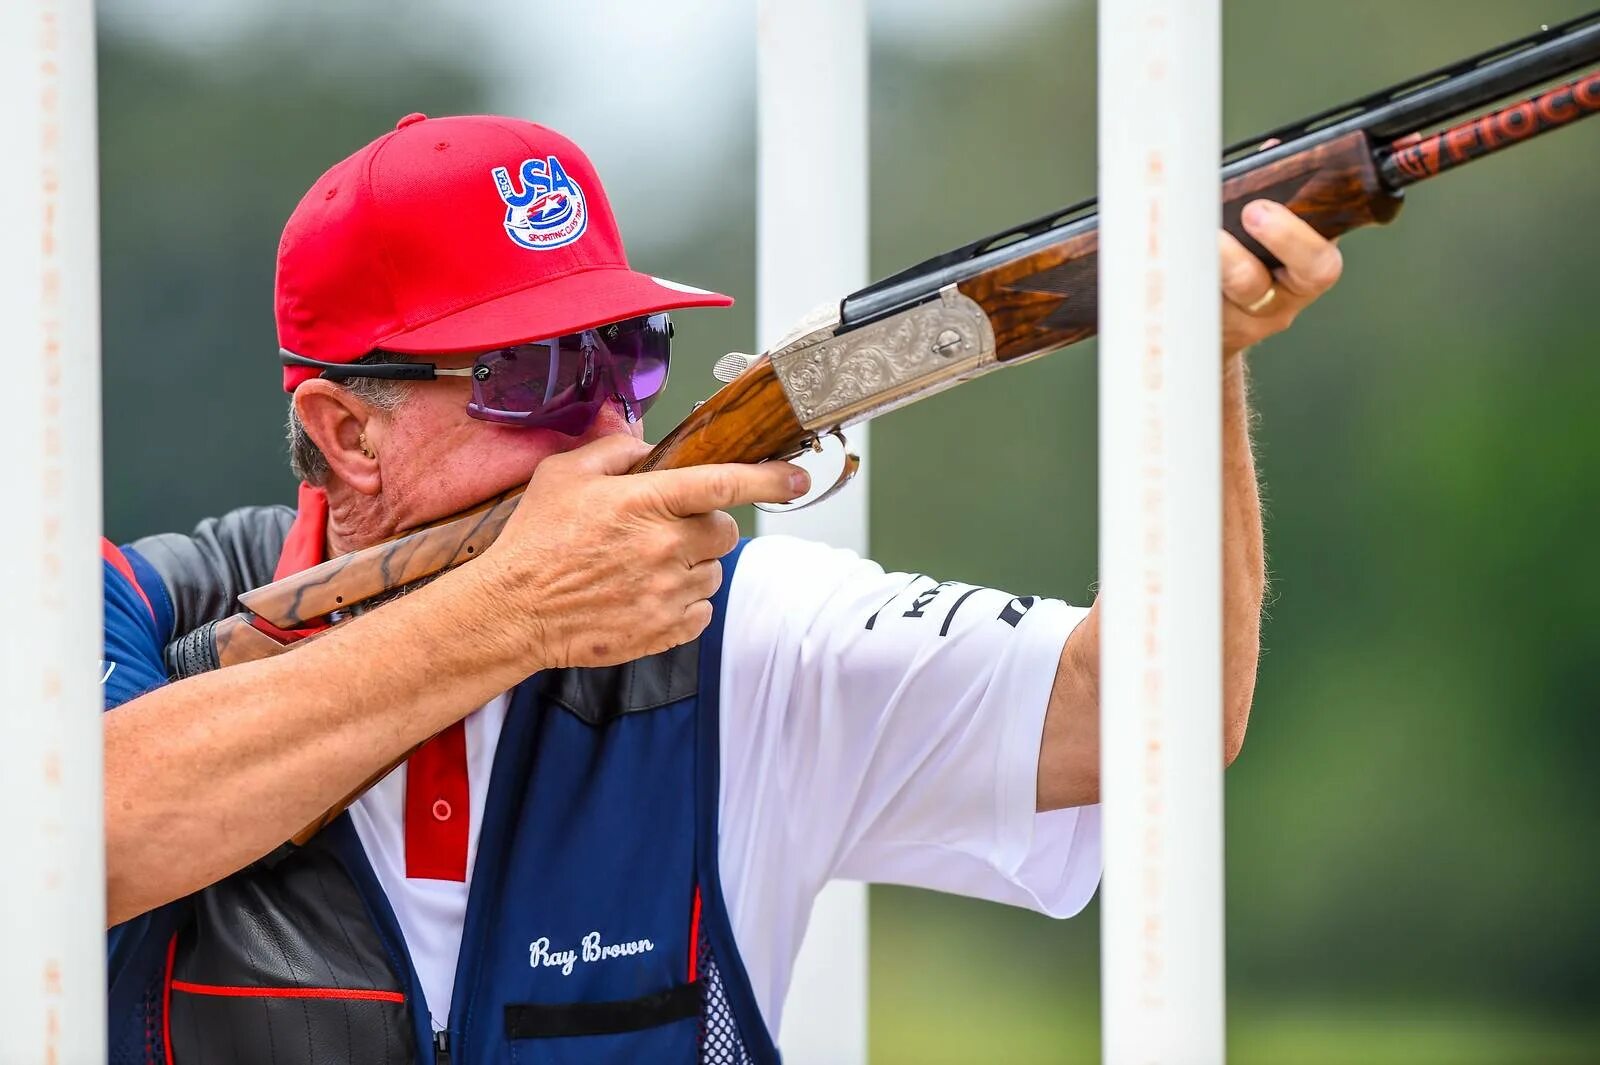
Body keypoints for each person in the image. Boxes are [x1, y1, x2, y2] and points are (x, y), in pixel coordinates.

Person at [100, 113, 1341, 1064]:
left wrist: (1194, 368)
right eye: (532, 374)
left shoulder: (737, 625)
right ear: (347, 431)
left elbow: (1151, 722)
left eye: (623, 356)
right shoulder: (141, 607)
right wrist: (513, 615)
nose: (601, 418)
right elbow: (64, 843)